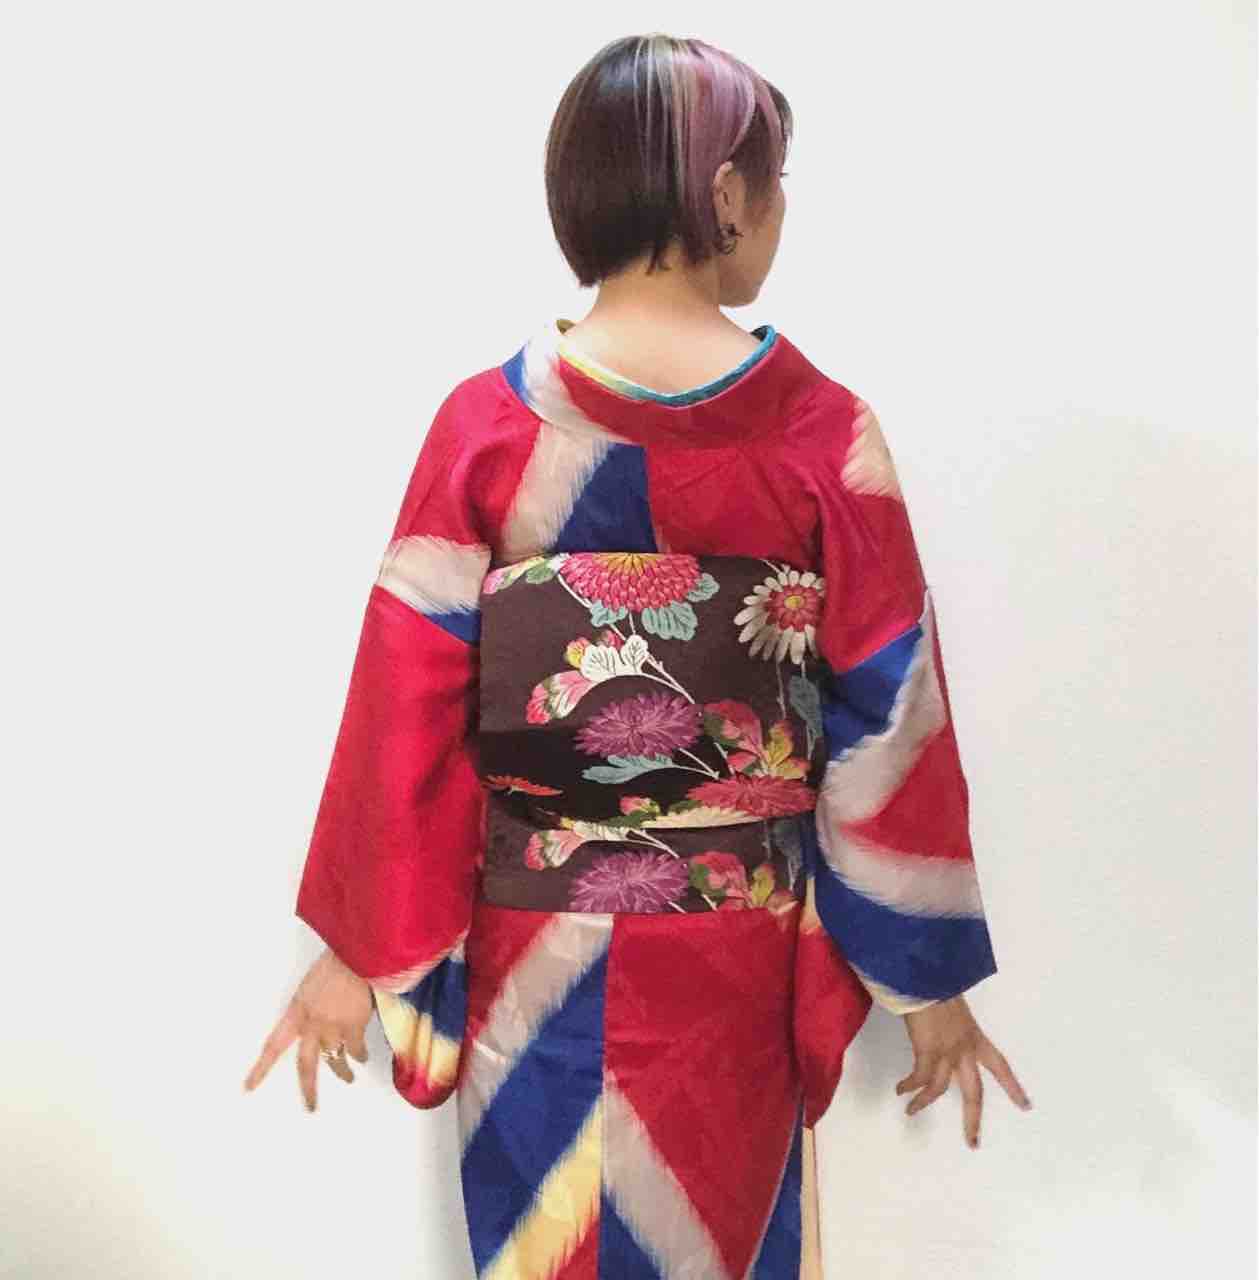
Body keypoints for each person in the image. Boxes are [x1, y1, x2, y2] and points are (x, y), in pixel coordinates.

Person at [244, 32, 1031, 1279]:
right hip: (730, 958)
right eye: (773, 181)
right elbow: (886, 712)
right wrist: (923, 980)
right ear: (725, 193)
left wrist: (358, 948)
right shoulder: (821, 436)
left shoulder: (488, 426)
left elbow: (406, 701)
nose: (778, 209)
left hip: (533, 962)